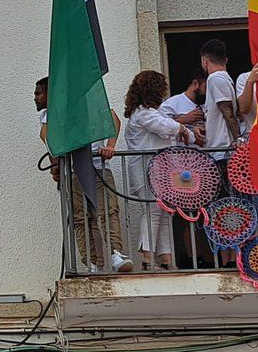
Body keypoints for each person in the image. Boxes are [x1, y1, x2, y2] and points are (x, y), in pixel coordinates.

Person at [39, 77, 130, 274]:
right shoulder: (53, 111)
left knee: (107, 211)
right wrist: (56, 166)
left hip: (96, 166)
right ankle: (93, 263)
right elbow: (46, 136)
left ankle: (116, 254)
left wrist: (110, 146)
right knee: (82, 218)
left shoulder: (91, 99)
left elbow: (113, 119)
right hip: (73, 171)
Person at [117, 70, 195, 271]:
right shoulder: (143, 113)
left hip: (159, 170)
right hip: (147, 170)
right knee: (152, 211)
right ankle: (148, 258)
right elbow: (166, 127)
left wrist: (184, 131)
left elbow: (170, 128)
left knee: (163, 212)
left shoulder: (149, 112)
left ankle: (166, 259)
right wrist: (184, 130)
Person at [198, 40, 239, 151]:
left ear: (205, 61)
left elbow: (227, 112)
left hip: (221, 147)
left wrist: (238, 140)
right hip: (223, 146)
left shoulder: (215, 78)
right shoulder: (226, 78)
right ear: (225, 60)